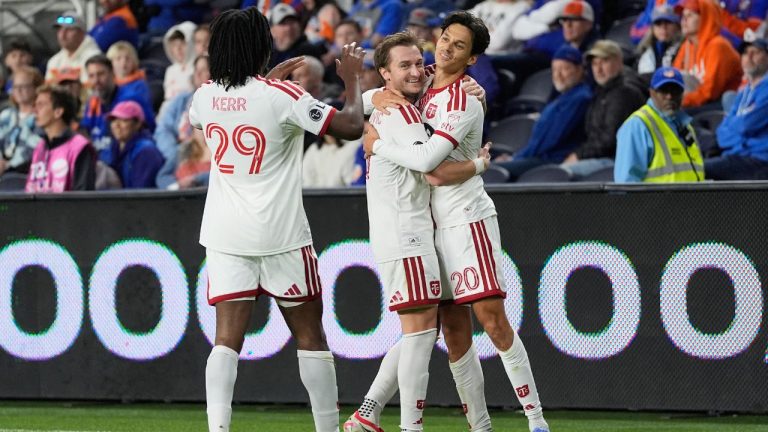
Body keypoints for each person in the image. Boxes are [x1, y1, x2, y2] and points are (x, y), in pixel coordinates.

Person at [346, 11, 550, 432]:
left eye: (458, 46)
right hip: (428, 225)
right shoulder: (420, 85)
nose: (445, 48)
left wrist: (476, 164)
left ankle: (536, 420)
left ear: (472, 59)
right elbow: (384, 96)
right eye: (444, 39)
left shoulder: (465, 99)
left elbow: (433, 172)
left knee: (491, 321)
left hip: (464, 219)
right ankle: (481, 425)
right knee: (450, 333)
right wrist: (372, 98)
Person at [188, 7, 365, 432]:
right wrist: (354, 79)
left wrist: (264, 85)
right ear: (260, 46)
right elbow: (353, 125)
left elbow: (223, 109)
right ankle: (326, 428)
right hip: (281, 233)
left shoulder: (203, 96)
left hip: (226, 234)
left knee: (226, 341)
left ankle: (217, 429)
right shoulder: (282, 96)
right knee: (311, 339)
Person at [353, 31, 492, 430]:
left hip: (417, 232)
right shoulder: (401, 113)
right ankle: (407, 425)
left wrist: (370, 101)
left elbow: (442, 77)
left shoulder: (404, 98)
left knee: (427, 332)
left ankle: (368, 414)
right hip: (407, 232)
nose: (417, 71)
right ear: (384, 74)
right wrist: (480, 164)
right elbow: (429, 165)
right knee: (419, 334)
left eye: (419, 62)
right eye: (405, 66)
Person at [494, 45, 593, 181]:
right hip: (538, 156)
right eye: (554, 70)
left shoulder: (580, 98)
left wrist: (516, 158)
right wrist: (516, 156)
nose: (558, 75)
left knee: (494, 171)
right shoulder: (561, 97)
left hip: (551, 160)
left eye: (564, 69)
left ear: (580, 70)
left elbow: (551, 139)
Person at [562, 40, 646, 179]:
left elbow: (609, 140)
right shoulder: (602, 91)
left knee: (562, 174)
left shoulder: (623, 93)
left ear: (619, 62)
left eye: (604, 62)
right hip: (604, 158)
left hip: (619, 161)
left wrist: (579, 155)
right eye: (595, 63)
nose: (598, 69)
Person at [615, 66, 704, 182]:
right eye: (663, 90)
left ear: (683, 94)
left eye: (675, 90)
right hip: (655, 200)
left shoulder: (686, 126)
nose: (669, 96)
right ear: (651, 92)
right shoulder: (638, 125)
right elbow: (626, 183)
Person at [708, 37, 768, 179]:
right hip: (738, 155)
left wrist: (736, 131)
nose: (749, 56)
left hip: (759, 160)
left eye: (756, 51)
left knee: (698, 170)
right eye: (746, 52)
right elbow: (721, 132)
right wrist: (740, 138)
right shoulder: (743, 93)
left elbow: (746, 125)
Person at [25, 85, 96, 192]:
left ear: (58, 112)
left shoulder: (79, 147)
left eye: (41, 105)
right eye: (35, 105)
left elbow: (83, 197)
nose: (35, 110)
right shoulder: (40, 147)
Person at [81, 54, 156, 154]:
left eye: (101, 74)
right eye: (91, 76)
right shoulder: (92, 104)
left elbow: (148, 132)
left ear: (112, 74)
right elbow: (85, 130)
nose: (96, 81)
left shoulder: (130, 100)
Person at [673, 0, 741, 108]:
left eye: (690, 15)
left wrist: (679, 102)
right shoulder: (687, 45)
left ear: (706, 18)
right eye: (683, 15)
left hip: (719, 107)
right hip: (696, 102)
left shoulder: (718, 45)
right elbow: (673, 77)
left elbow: (709, 93)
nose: (684, 20)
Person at [155, 55, 210, 189]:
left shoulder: (224, 149)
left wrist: (196, 180)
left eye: (204, 70)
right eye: (196, 69)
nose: (197, 74)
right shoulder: (181, 150)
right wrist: (177, 186)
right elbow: (162, 178)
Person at [101, 100, 164, 188]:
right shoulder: (114, 147)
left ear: (138, 124)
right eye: (113, 120)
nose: (116, 125)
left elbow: (141, 195)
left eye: (124, 120)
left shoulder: (146, 152)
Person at [0, 66, 43, 178]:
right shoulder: (6, 115)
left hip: (24, 174)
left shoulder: (42, 116)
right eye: (15, 87)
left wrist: (8, 165)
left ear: (36, 88)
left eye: (24, 86)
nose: (18, 90)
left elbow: (35, 148)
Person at [46, 11, 102, 84]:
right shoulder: (54, 61)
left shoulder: (94, 58)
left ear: (82, 32)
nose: (62, 35)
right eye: (60, 29)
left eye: (69, 29)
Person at [268, 4, 326, 69]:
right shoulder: (268, 54)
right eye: (283, 23)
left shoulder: (308, 50)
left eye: (292, 22)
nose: (289, 28)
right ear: (272, 30)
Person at [636, 4, 683, 78]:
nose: (663, 27)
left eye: (668, 22)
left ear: (677, 26)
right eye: (658, 23)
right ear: (652, 28)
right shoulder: (644, 50)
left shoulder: (685, 47)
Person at [163, 21, 197, 104]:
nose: (178, 49)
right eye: (174, 45)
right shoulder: (170, 70)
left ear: (191, 44)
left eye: (182, 44)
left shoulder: (198, 68)